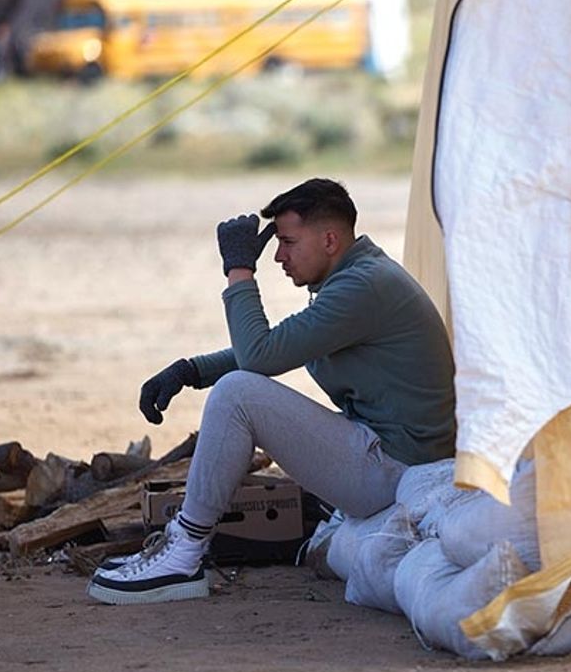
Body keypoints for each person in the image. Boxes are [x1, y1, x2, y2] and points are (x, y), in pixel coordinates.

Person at [87, 178, 456, 605]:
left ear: (330, 240)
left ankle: (184, 551)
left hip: (394, 469)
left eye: (287, 241)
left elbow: (261, 357)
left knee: (238, 394)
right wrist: (190, 370)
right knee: (236, 387)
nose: (279, 255)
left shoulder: (363, 287)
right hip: (385, 458)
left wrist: (240, 270)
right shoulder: (355, 278)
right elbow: (279, 345)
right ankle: (181, 549)